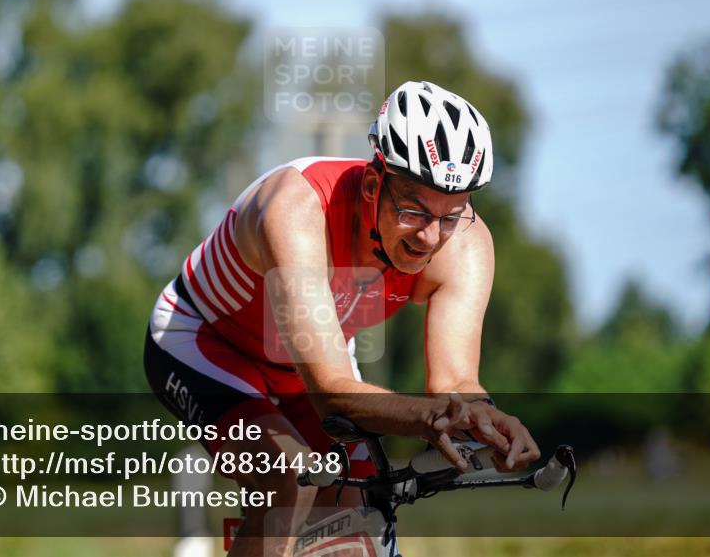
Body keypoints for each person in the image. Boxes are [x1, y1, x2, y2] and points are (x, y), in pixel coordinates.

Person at [144, 80, 541, 556]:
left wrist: (485, 417)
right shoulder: (297, 208)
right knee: (290, 477)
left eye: (452, 213)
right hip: (204, 341)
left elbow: (455, 383)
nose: (432, 237)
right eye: (414, 209)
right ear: (374, 184)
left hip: (300, 362)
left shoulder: (466, 244)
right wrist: (433, 416)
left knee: (363, 498)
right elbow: (332, 394)